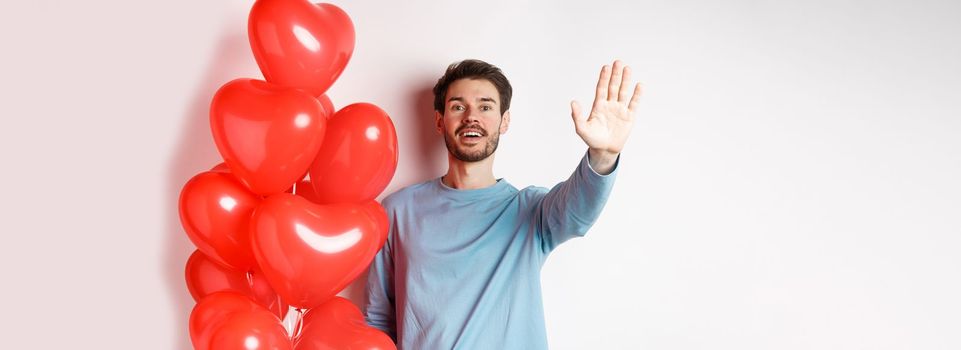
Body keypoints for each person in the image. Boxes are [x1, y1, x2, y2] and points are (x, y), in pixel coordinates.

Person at [363, 59, 642, 349]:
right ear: (439, 120)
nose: (472, 117)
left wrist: (603, 155)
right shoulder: (398, 210)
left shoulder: (530, 210)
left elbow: (578, 212)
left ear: (504, 121)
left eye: (485, 107)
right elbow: (377, 319)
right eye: (458, 106)